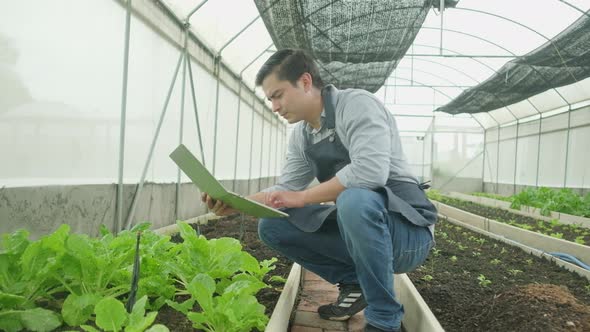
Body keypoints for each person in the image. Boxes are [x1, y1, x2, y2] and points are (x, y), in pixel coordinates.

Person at [201, 48, 437, 332]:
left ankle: (384, 319)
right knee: (273, 226)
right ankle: (354, 282)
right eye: (270, 99)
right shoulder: (302, 136)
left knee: (354, 199)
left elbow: (370, 171)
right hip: (364, 233)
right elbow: (285, 189)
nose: (274, 107)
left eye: (278, 95)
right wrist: (235, 202)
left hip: (407, 233)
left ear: (305, 81)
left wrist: (302, 197)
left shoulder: (357, 105)